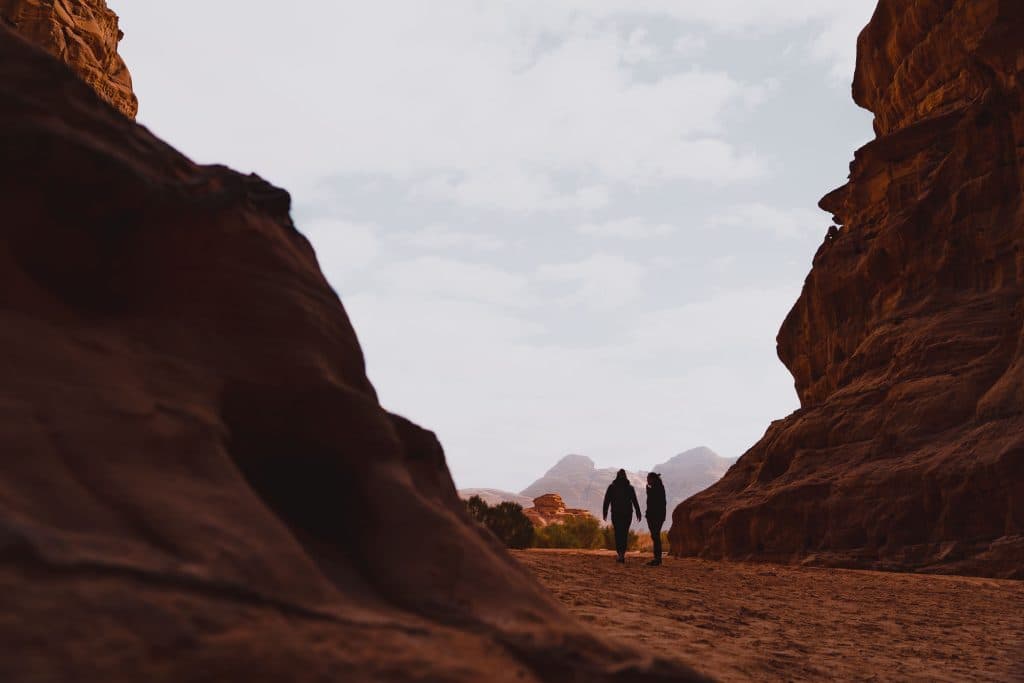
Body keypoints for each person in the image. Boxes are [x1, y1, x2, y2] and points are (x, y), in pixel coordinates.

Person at [602, 469, 641, 564]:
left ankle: (620, 554)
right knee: (624, 534)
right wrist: (638, 512)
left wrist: (605, 512)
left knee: (618, 534)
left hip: (616, 514)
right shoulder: (629, 487)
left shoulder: (612, 487)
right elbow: (635, 501)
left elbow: (607, 500)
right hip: (627, 514)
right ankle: (622, 554)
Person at [645, 472, 667, 566]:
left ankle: (657, 558)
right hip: (658, 516)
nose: (647, 480)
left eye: (648, 478)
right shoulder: (659, 488)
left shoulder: (656, 489)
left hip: (655, 516)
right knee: (655, 536)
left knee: (655, 536)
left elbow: (654, 502)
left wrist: (648, 491)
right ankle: (657, 558)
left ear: (652, 479)